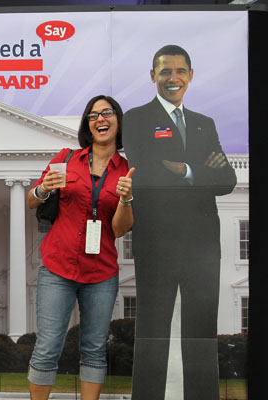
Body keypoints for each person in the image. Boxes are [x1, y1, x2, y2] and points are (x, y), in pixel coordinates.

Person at [122, 45, 237, 400]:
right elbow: (148, 171)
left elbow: (228, 181)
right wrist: (202, 171)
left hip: (203, 244)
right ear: (153, 75)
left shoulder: (205, 123)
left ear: (190, 75)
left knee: (201, 331)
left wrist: (184, 169)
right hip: (156, 240)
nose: (174, 78)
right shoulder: (137, 118)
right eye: (165, 71)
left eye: (180, 71)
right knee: (152, 332)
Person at [27, 95, 134, 400]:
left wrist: (126, 200)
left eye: (107, 113)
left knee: (94, 349)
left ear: (118, 120)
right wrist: (44, 187)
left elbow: (120, 229)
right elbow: (32, 200)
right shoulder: (67, 157)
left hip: (101, 273)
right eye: (93, 115)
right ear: (87, 124)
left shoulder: (126, 170)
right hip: (58, 267)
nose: (100, 119)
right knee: (48, 346)